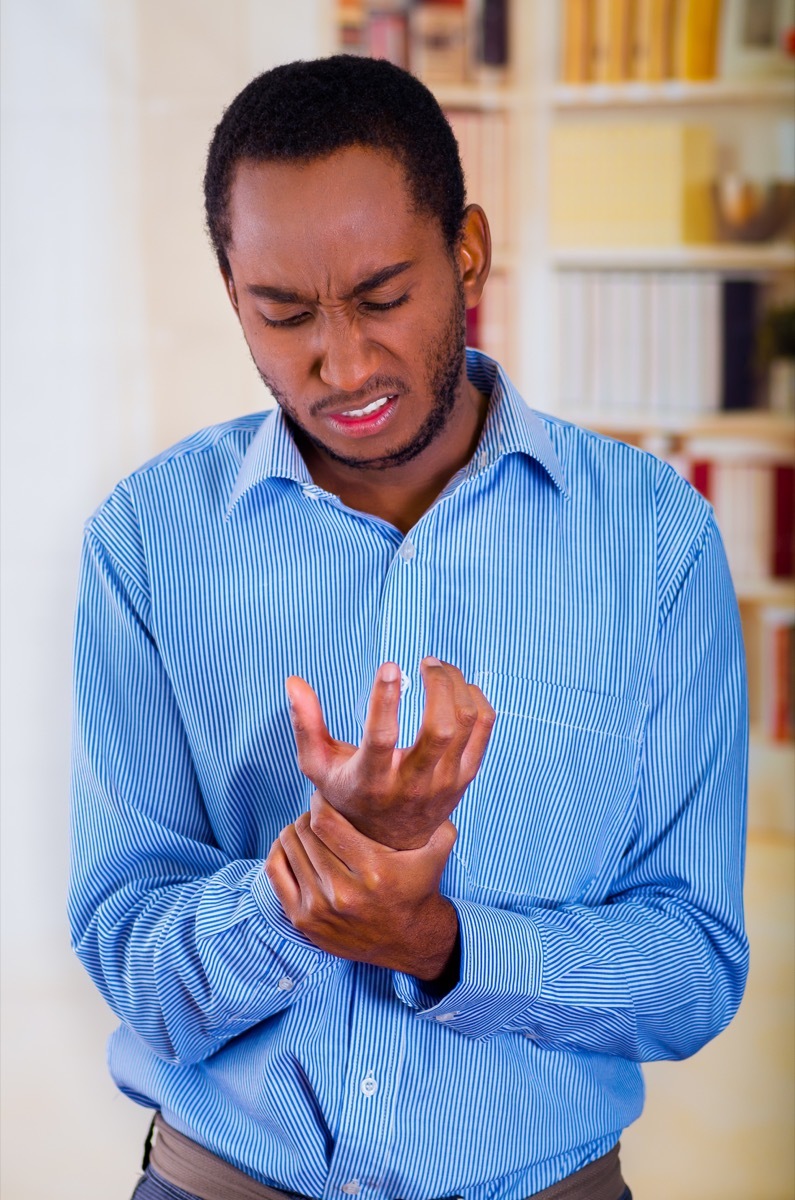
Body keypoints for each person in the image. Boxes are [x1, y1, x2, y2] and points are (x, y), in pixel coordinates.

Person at [69, 55, 749, 1200]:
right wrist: (318, 877)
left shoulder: (655, 541)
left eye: (383, 297)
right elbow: (136, 960)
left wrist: (442, 943)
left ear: (467, 250)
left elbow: (693, 968)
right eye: (284, 314)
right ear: (233, 290)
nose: (342, 364)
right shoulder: (145, 542)